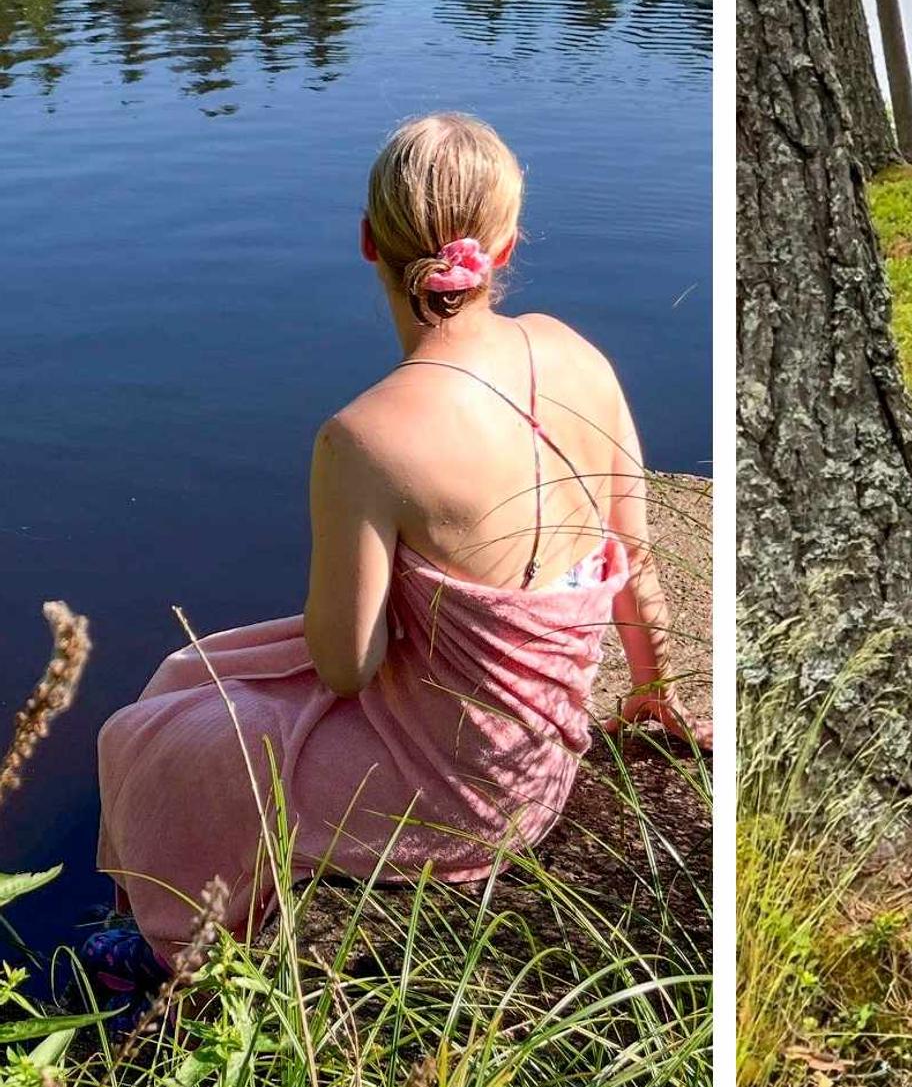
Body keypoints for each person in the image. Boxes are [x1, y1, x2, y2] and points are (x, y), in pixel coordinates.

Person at [92, 112, 698, 983]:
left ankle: (168, 953)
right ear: (507, 243)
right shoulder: (578, 354)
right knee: (198, 671)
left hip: (457, 793)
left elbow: (347, 664)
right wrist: (654, 691)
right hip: (547, 756)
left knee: (159, 742)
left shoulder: (365, 437)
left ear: (369, 241)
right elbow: (633, 562)